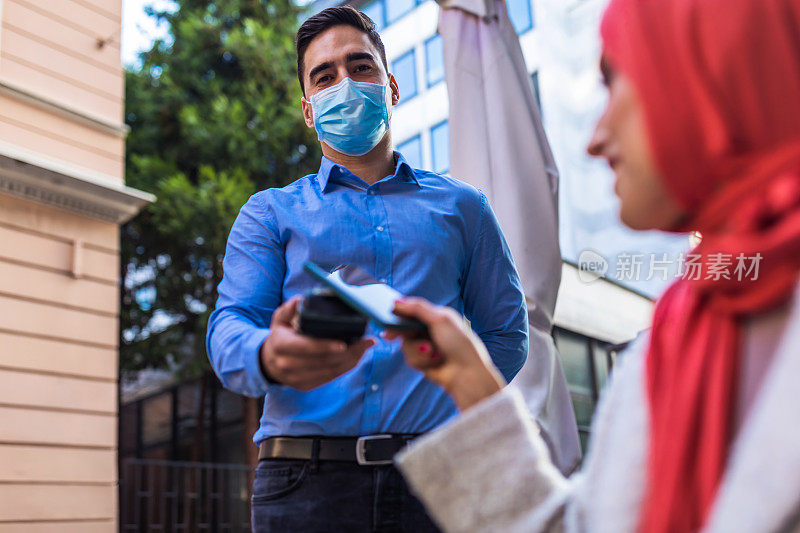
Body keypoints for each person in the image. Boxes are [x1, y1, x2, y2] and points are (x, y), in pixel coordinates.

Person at [387, 0, 800, 531]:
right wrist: (474, 388)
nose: (595, 138)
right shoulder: (680, 330)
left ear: (707, 74)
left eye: (616, 80)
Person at [205, 6, 532, 531]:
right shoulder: (268, 212)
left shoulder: (465, 207)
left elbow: (507, 335)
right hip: (303, 485)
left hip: (439, 474)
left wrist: (451, 396)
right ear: (310, 111)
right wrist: (266, 354)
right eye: (325, 76)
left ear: (392, 86)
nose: (346, 84)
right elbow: (229, 329)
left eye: (361, 67)